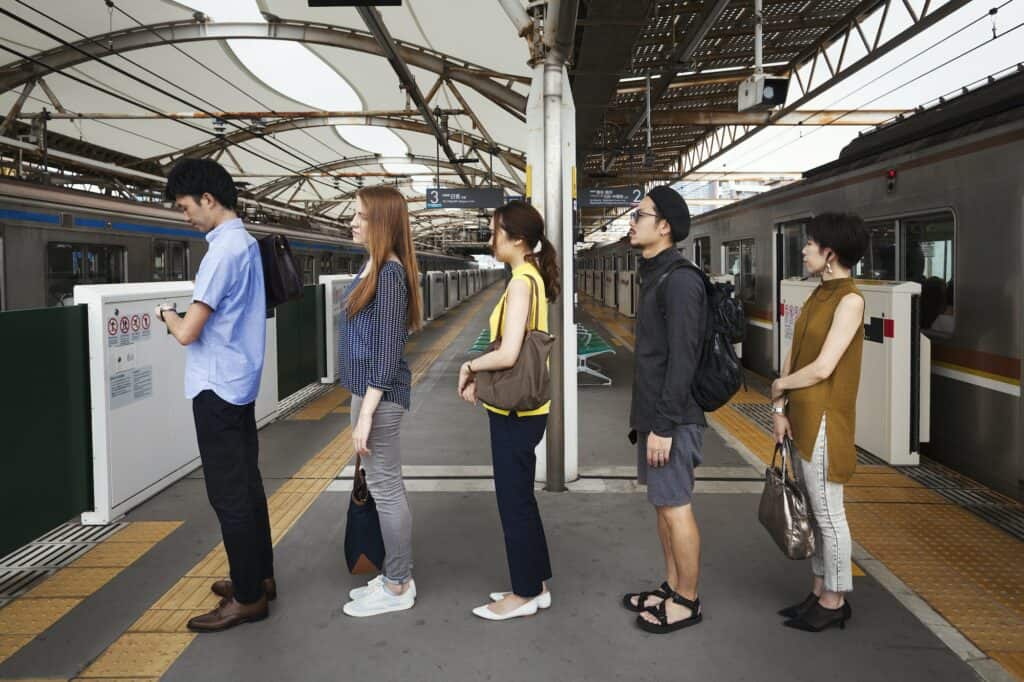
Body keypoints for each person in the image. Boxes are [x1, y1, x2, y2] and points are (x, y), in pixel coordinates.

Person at [156, 158, 274, 633]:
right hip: (240, 383)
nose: (184, 216)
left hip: (215, 387)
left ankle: (247, 598)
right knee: (248, 485)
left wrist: (166, 312)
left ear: (208, 199)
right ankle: (258, 578)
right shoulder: (245, 245)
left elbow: (187, 333)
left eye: (185, 207)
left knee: (229, 496)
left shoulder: (220, 254)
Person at [457, 201, 559, 621]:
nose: (489, 239)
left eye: (494, 231)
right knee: (521, 497)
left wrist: (470, 366)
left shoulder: (521, 282)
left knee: (513, 499)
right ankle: (535, 583)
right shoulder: (529, 276)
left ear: (516, 238)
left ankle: (523, 594)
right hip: (528, 409)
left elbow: (509, 352)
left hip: (516, 412)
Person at [771, 212, 869, 633]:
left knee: (829, 514)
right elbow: (796, 352)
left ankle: (835, 599)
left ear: (830, 253)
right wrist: (779, 409)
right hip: (802, 416)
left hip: (827, 420)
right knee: (814, 510)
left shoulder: (850, 300)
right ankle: (817, 591)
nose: (805, 249)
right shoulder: (817, 295)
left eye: (811, 244)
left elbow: (824, 367)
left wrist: (778, 384)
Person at [620, 186, 707, 635]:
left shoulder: (681, 280)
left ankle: (688, 601)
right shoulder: (656, 274)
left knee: (676, 506)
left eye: (640, 214)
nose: (632, 221)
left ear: (665, 226)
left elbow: (683, 359)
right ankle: (671, 588)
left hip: (673, 419)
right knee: (662, 505)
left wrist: (665, 425)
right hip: (655, 418)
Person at [340, 185, 422, 618]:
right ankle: (394, 573)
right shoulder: (376, 265)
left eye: (360, 216)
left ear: (382, 224)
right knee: (386, 487)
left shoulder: (388, 275)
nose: (352, 222)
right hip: (370, 394)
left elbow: (388, 352)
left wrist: (365, 415)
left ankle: (397, 585)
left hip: (380, 398)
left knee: (387, 491)